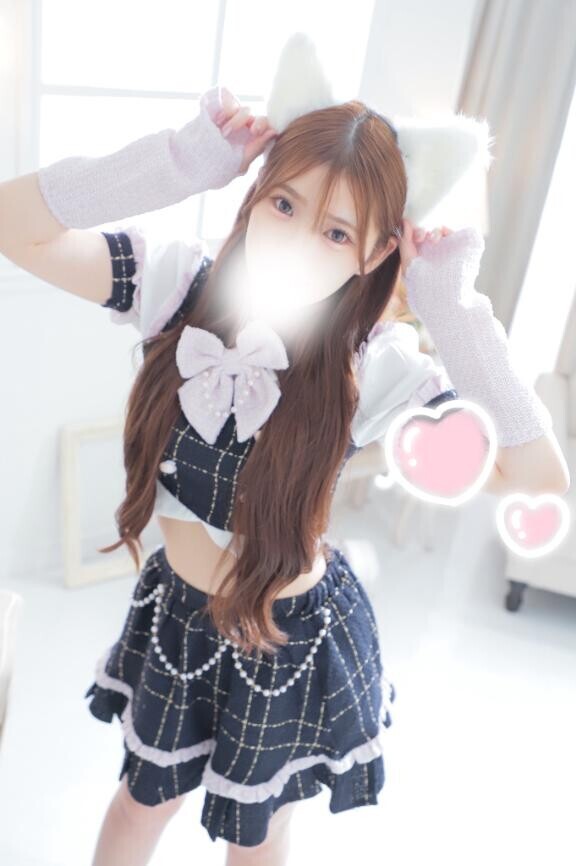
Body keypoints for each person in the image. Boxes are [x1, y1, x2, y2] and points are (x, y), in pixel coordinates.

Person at [0, 80, 566, 866]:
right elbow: (14, 225)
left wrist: (452, 309)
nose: (298, 242)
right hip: (181, 615)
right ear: (255, 192)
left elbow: (537, 477)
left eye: (337, 232)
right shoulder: (180, 288)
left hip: (287, 641)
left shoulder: (374, 365)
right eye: (285, 205)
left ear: (378, 253)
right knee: (138, 804)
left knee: (258, 837)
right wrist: (174, 165)